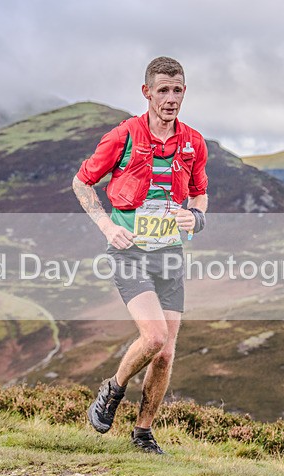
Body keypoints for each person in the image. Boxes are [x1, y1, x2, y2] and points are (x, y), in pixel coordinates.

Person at [72, 56, 208, 454]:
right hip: (129, 252)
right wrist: (106, 226)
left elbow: (200, 194)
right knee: (153, 337)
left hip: (169, 254)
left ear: (185, 92)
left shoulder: (193, 142)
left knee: (166, 353)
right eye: (163, 90)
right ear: (147, 92)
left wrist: (196, 217)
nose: (171, 98)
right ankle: (113, 390)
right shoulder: (124, 135)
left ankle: (143, 433)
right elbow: (82, 183)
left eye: (177, 90)